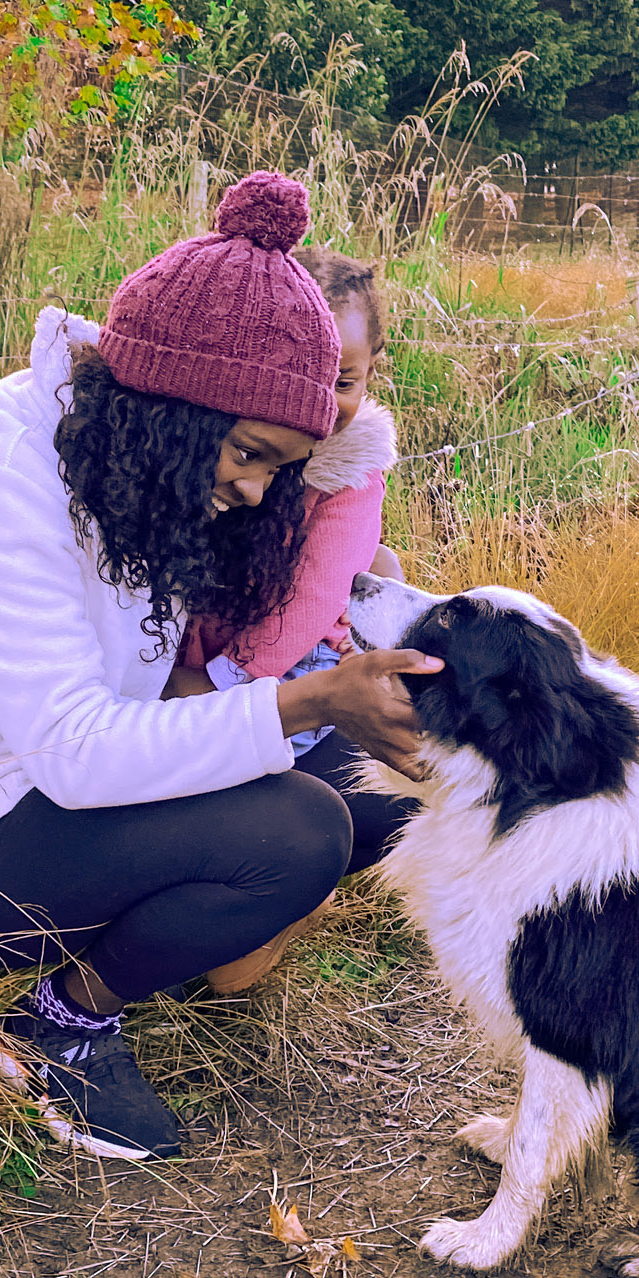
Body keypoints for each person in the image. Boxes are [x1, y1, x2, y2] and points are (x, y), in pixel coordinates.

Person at [0, 173, 436, 1163]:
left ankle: (180, 938)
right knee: (300, 830)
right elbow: (77, 755)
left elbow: (160, 683)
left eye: (282, 467)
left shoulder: (126, 458)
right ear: (179, 413)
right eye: (254, 455)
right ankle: (61, 1025)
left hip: (84, 808)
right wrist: (301, 700)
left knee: (373, 794)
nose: (260, 492)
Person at [172, 248, 397, 992]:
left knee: (232, 971)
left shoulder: (351, 470)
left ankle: (298, 891)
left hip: (283, 678)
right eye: (309, 375)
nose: (324, 401)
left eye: (345, 381)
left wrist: (227, 685)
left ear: (373, 374)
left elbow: (311, 598)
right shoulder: (224, 447)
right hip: (189, 672)